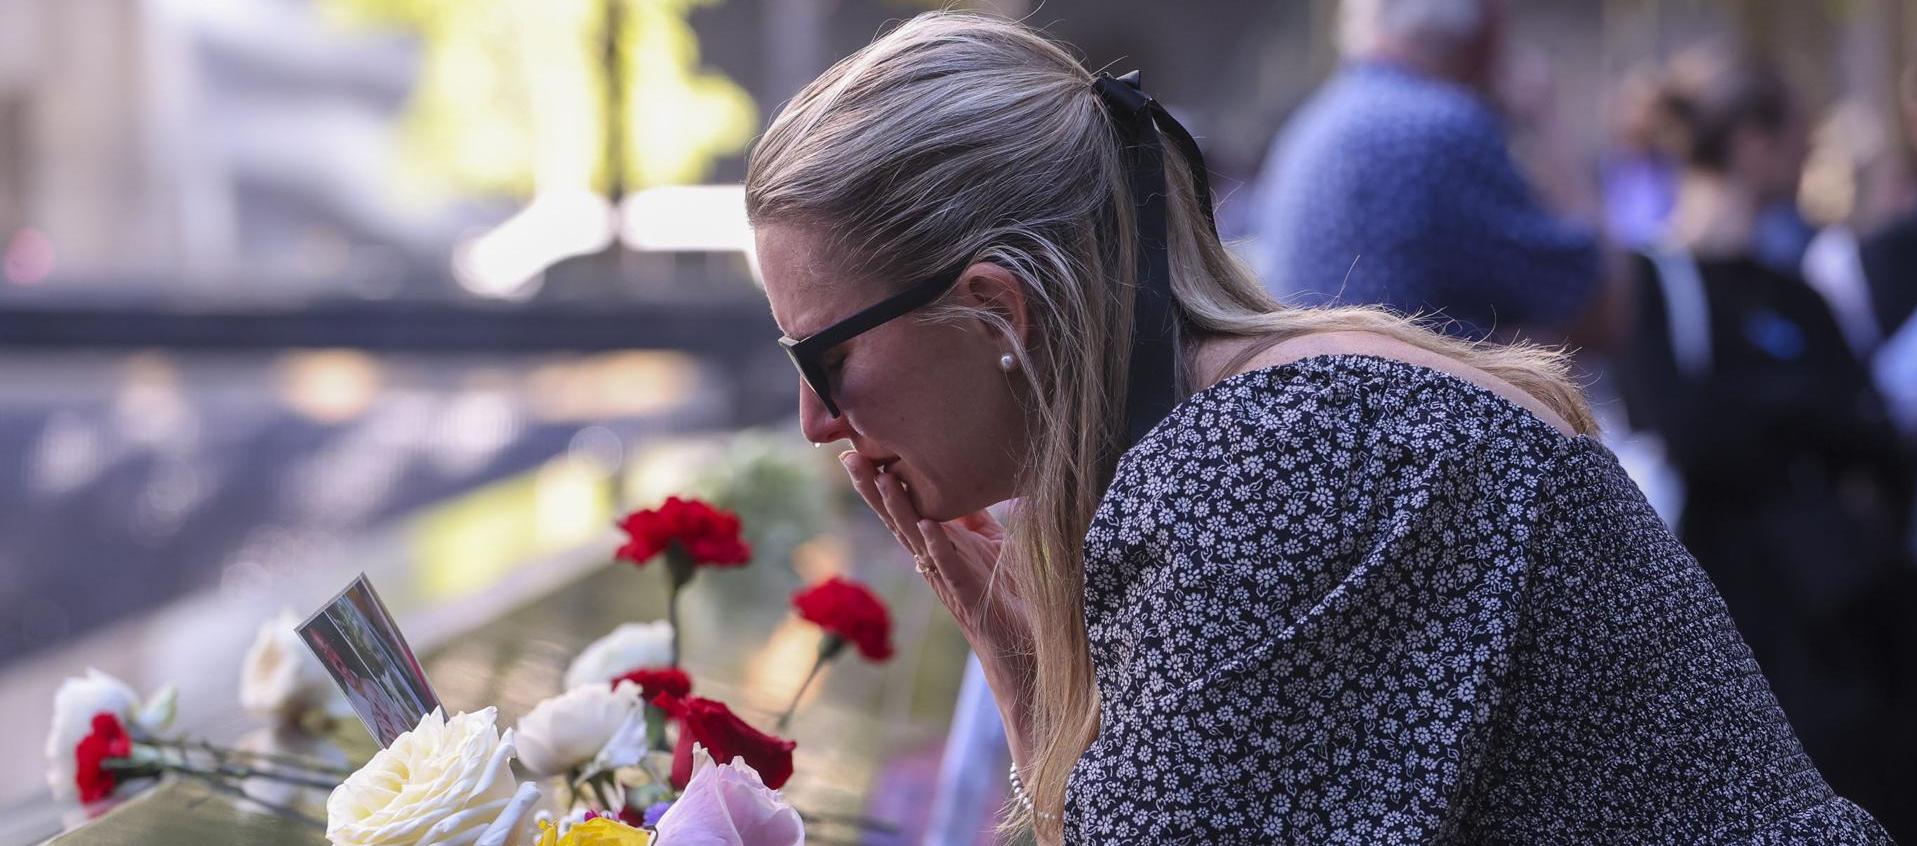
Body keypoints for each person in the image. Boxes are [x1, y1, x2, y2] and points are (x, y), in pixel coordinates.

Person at [746, 12, 1893, 843]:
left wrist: (1026, 686)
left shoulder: (1262, 465)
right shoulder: (1265, 420)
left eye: (823, 358)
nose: (812, 422)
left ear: (997, 311)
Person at [1619, 43, 1917, 840]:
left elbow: (1871, 429)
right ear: (1753, 144)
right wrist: (1802, 414)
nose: (1806, 160)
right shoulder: (1652, 284)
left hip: (1832, 620)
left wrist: (1775, 412)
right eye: (1796, 140)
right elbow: (1688, 428)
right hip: (1719, 618)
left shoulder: (1793, 291)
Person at [1249, 0, 1606, 344]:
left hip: (1329, 379)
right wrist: (1545, 121)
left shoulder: (1310, 123)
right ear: (1481, 33)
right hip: (1402, 384)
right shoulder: (1442, 129)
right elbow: (1600, 307)